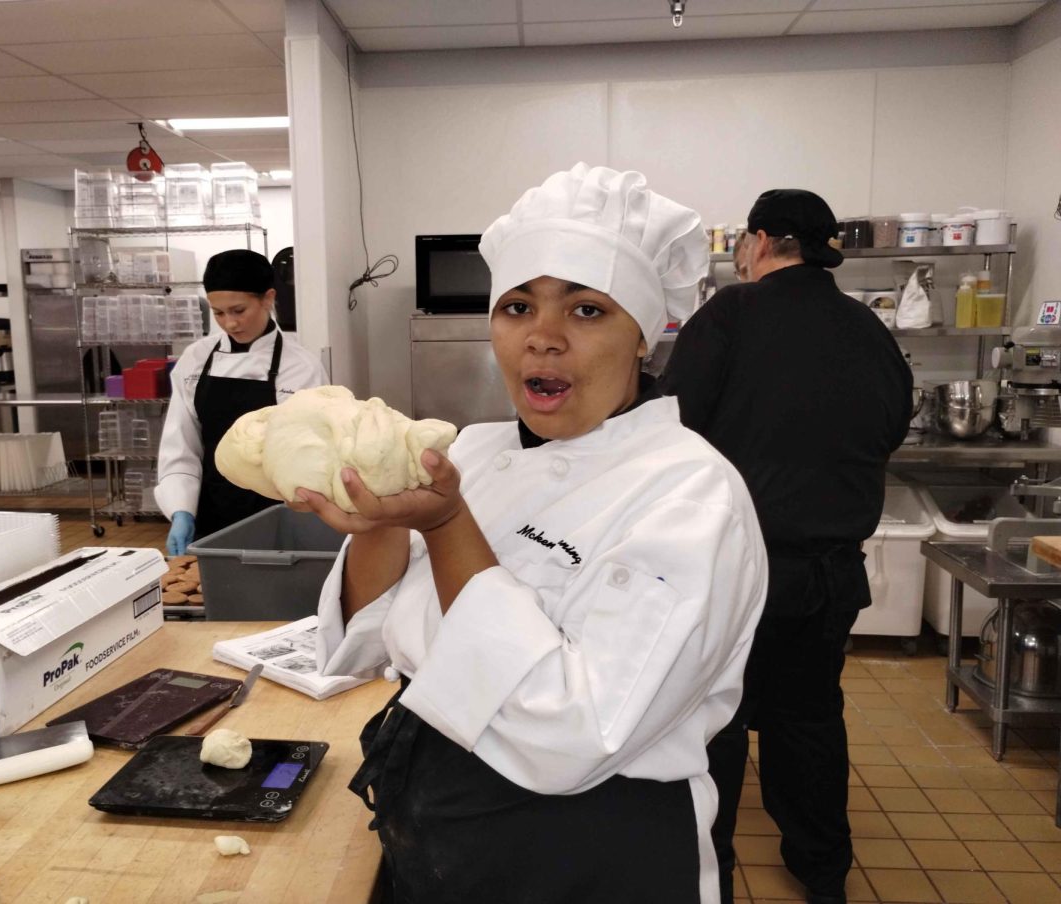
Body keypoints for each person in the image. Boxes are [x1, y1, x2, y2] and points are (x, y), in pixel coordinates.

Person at [297, 163, 768, 904]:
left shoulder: (691, 494)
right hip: (439, 830)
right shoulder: (474, 454)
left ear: (642, 335)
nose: (541, 340)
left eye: (586, 311)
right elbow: (361, 645)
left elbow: (577, 736)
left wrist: (448, 525)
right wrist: (379, 524)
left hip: (593, 856)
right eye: (517, 307)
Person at [658, 189, 913, 904]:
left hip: (738, 569)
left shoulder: (731, 316)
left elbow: (673, 429)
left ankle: (710, 869)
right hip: (831, 573)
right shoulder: (868, 329)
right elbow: (893, 424)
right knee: (808, 718)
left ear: (761, 240)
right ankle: (822, 871)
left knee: (720, 721)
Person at [156, 249, 327, 554]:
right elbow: (181, 444)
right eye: (218, 313)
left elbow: (312, 453)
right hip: (211, 514)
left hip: (279, 514)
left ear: (268, 298)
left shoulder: (300, 367)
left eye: (238, 310)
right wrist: (181, 510)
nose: (230, 323)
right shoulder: (195, 360)